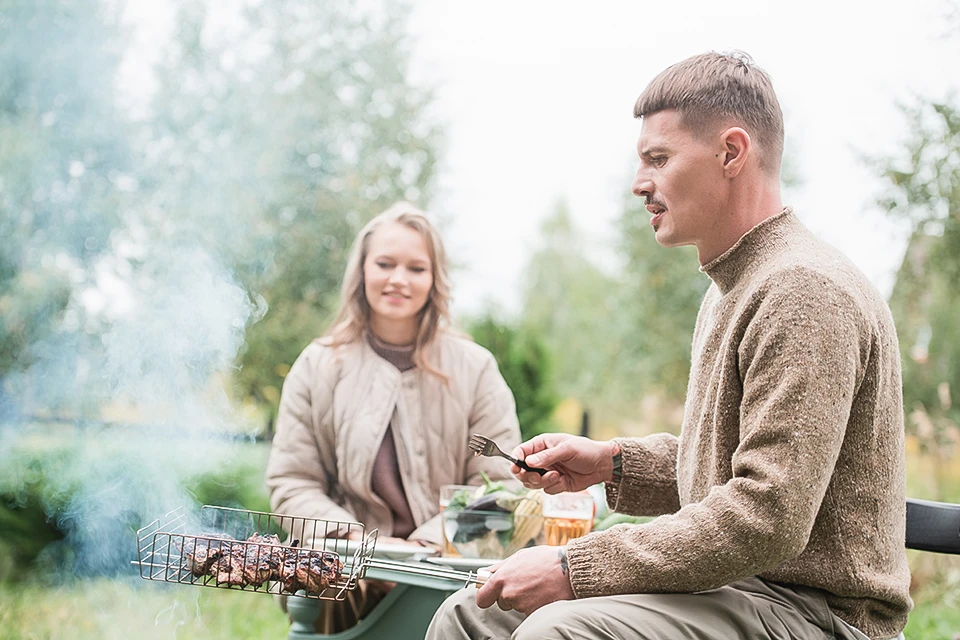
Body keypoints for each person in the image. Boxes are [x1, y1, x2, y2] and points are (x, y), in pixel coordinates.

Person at [426, 51, 911, 640]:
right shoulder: (734, 287)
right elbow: (727, 469)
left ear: (731, 153)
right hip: (742, 592)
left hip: (817, 614)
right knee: (472, 615)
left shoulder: (803, 290)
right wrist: (611, 463)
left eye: (658, 159)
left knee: (557, 632)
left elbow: (767, 516)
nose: (639, 184)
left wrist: (572, 569)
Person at [265, 201, 522, 633]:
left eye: (416, 268)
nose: (398, 279)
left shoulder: (474, 368)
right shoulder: (318, 365)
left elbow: (499, 485)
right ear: (362, 271)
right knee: (324, 586)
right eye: (385, 263)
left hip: (448, 565)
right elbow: (292, 481)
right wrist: (360, 547)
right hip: (345, 566)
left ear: (434, 278)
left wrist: (419, 548)